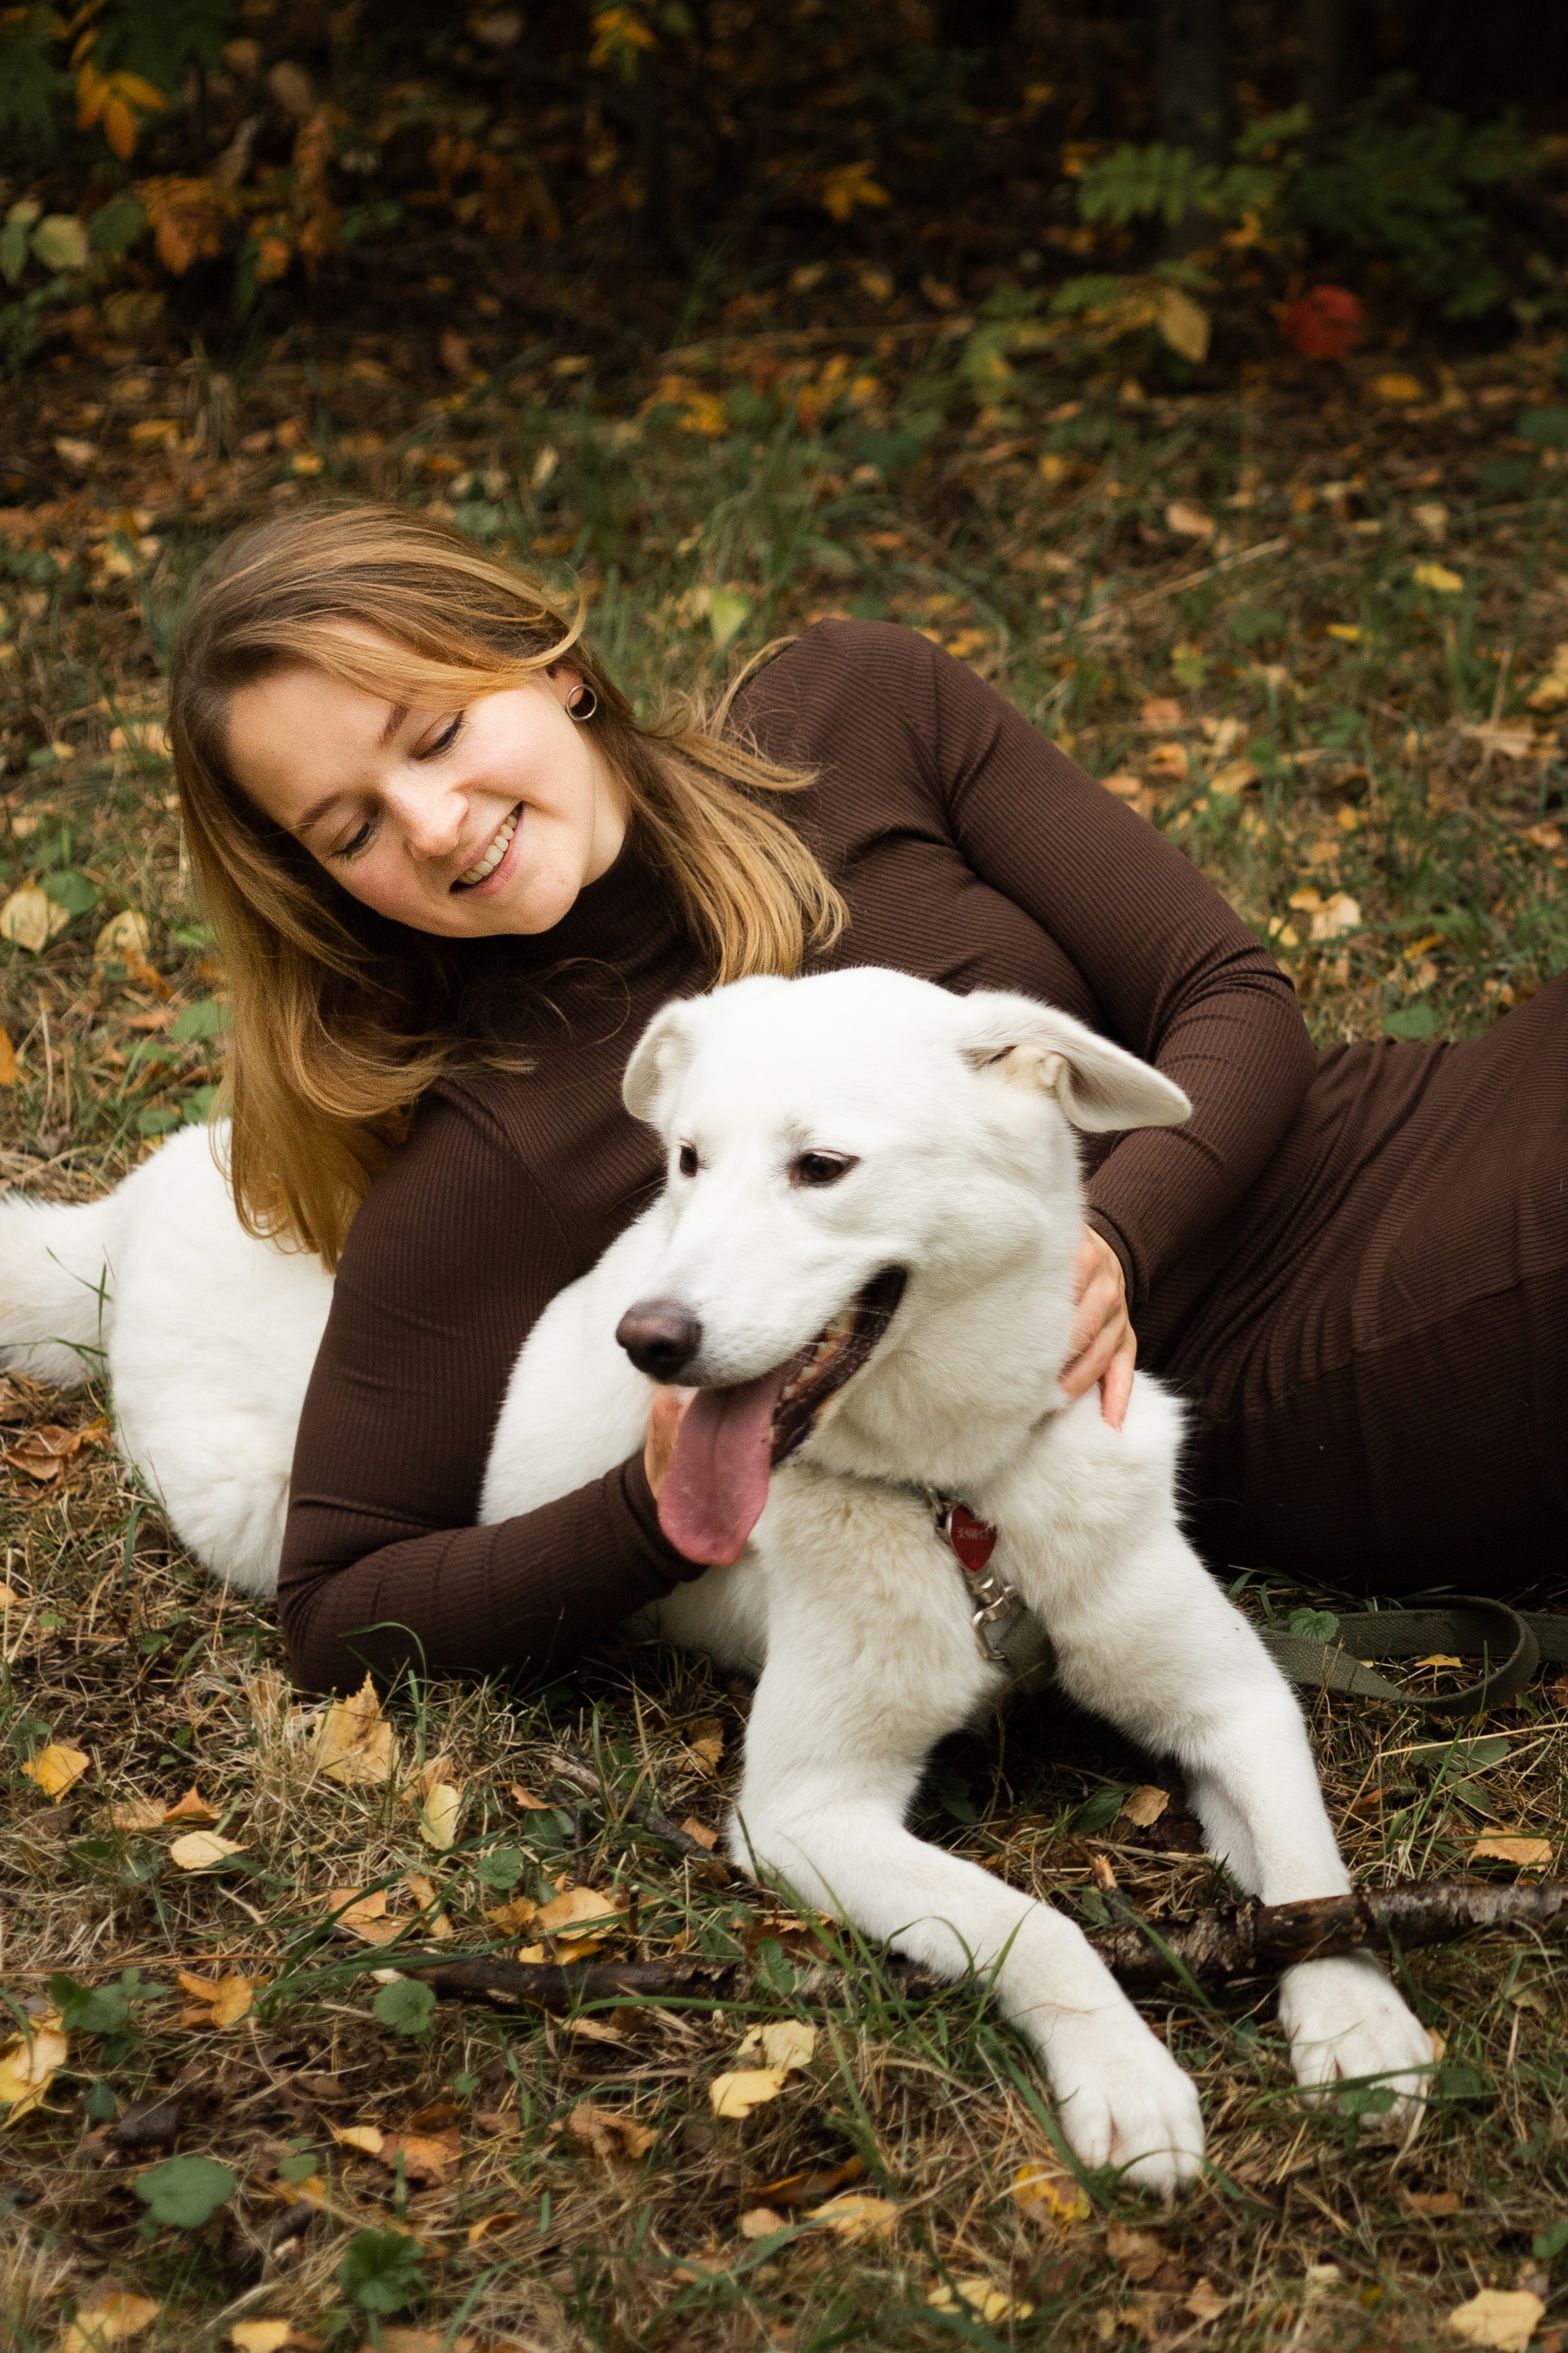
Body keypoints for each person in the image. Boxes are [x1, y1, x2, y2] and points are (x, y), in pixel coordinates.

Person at [169, 503, 1567, 1696]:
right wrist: (660, 1510)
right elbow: (341, 1606)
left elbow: (1226, 993)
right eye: (351, 826)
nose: (431, 823)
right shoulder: (491, 1146)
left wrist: (1110, 1241)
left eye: (434, 733)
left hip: (1383, 1126)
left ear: (557, 670)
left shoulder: (852, 709)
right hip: (1310, 1353)